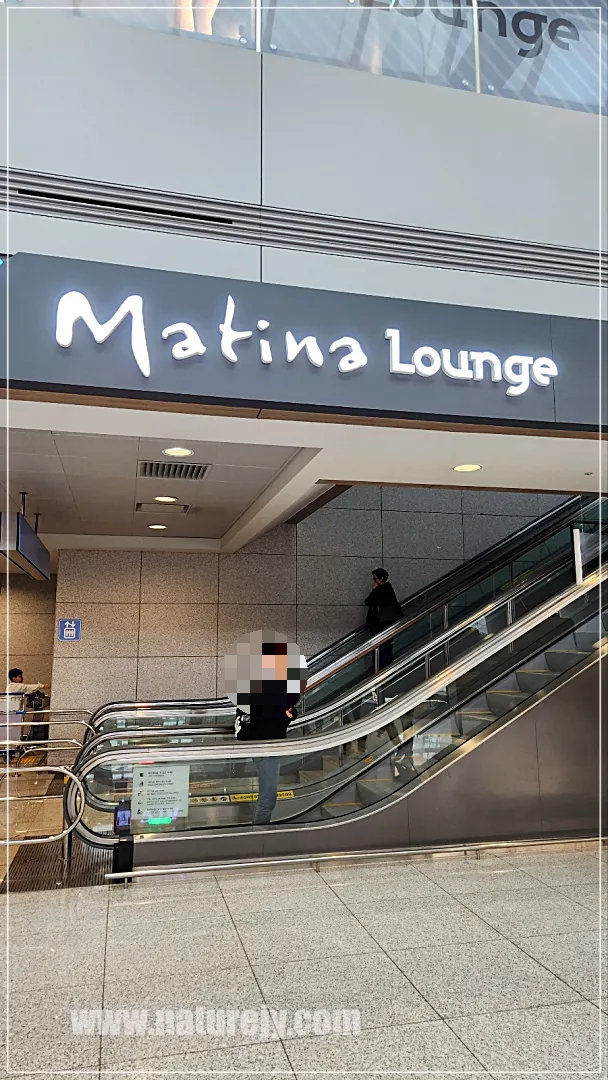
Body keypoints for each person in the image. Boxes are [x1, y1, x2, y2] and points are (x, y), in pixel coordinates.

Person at [3, 668, 50, 758]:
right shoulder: (14, 686)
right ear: (14, 678)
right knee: (13, 731)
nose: (22, 678)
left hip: (13, 712)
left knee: (14, 730)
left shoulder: (15, 687)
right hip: (12, 712)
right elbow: (27, 687)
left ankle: (14, 749)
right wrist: (43, 686)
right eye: (20, 676)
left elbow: (26, 690)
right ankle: (10, 751)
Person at [364, 568, 402, 670]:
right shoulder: (385, 589)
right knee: (382, 647)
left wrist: (374, 590)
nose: (374, 581)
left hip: (381, 623)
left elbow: (370, 601)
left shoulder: (384, 590)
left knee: (382, 647)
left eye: (375, 579)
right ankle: (381, 667)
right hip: (382, 623)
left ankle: (381, 668)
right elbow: (369, 602)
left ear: (381, 579)